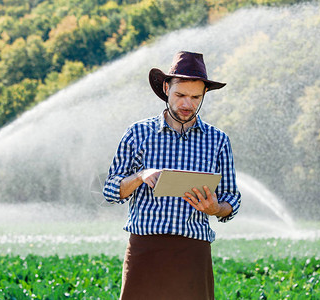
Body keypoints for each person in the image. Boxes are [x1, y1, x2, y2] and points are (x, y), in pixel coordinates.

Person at [103, 51, 241, 300]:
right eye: (180, 95)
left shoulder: (218, 140)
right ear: (166, 88)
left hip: (194, 250)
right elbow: (111, 190)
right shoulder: (138, 133)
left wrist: (216, 208)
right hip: (145, 249)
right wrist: (140, 176)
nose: (187, 104)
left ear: (204, 95)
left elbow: (232, 198)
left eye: (195, 97)